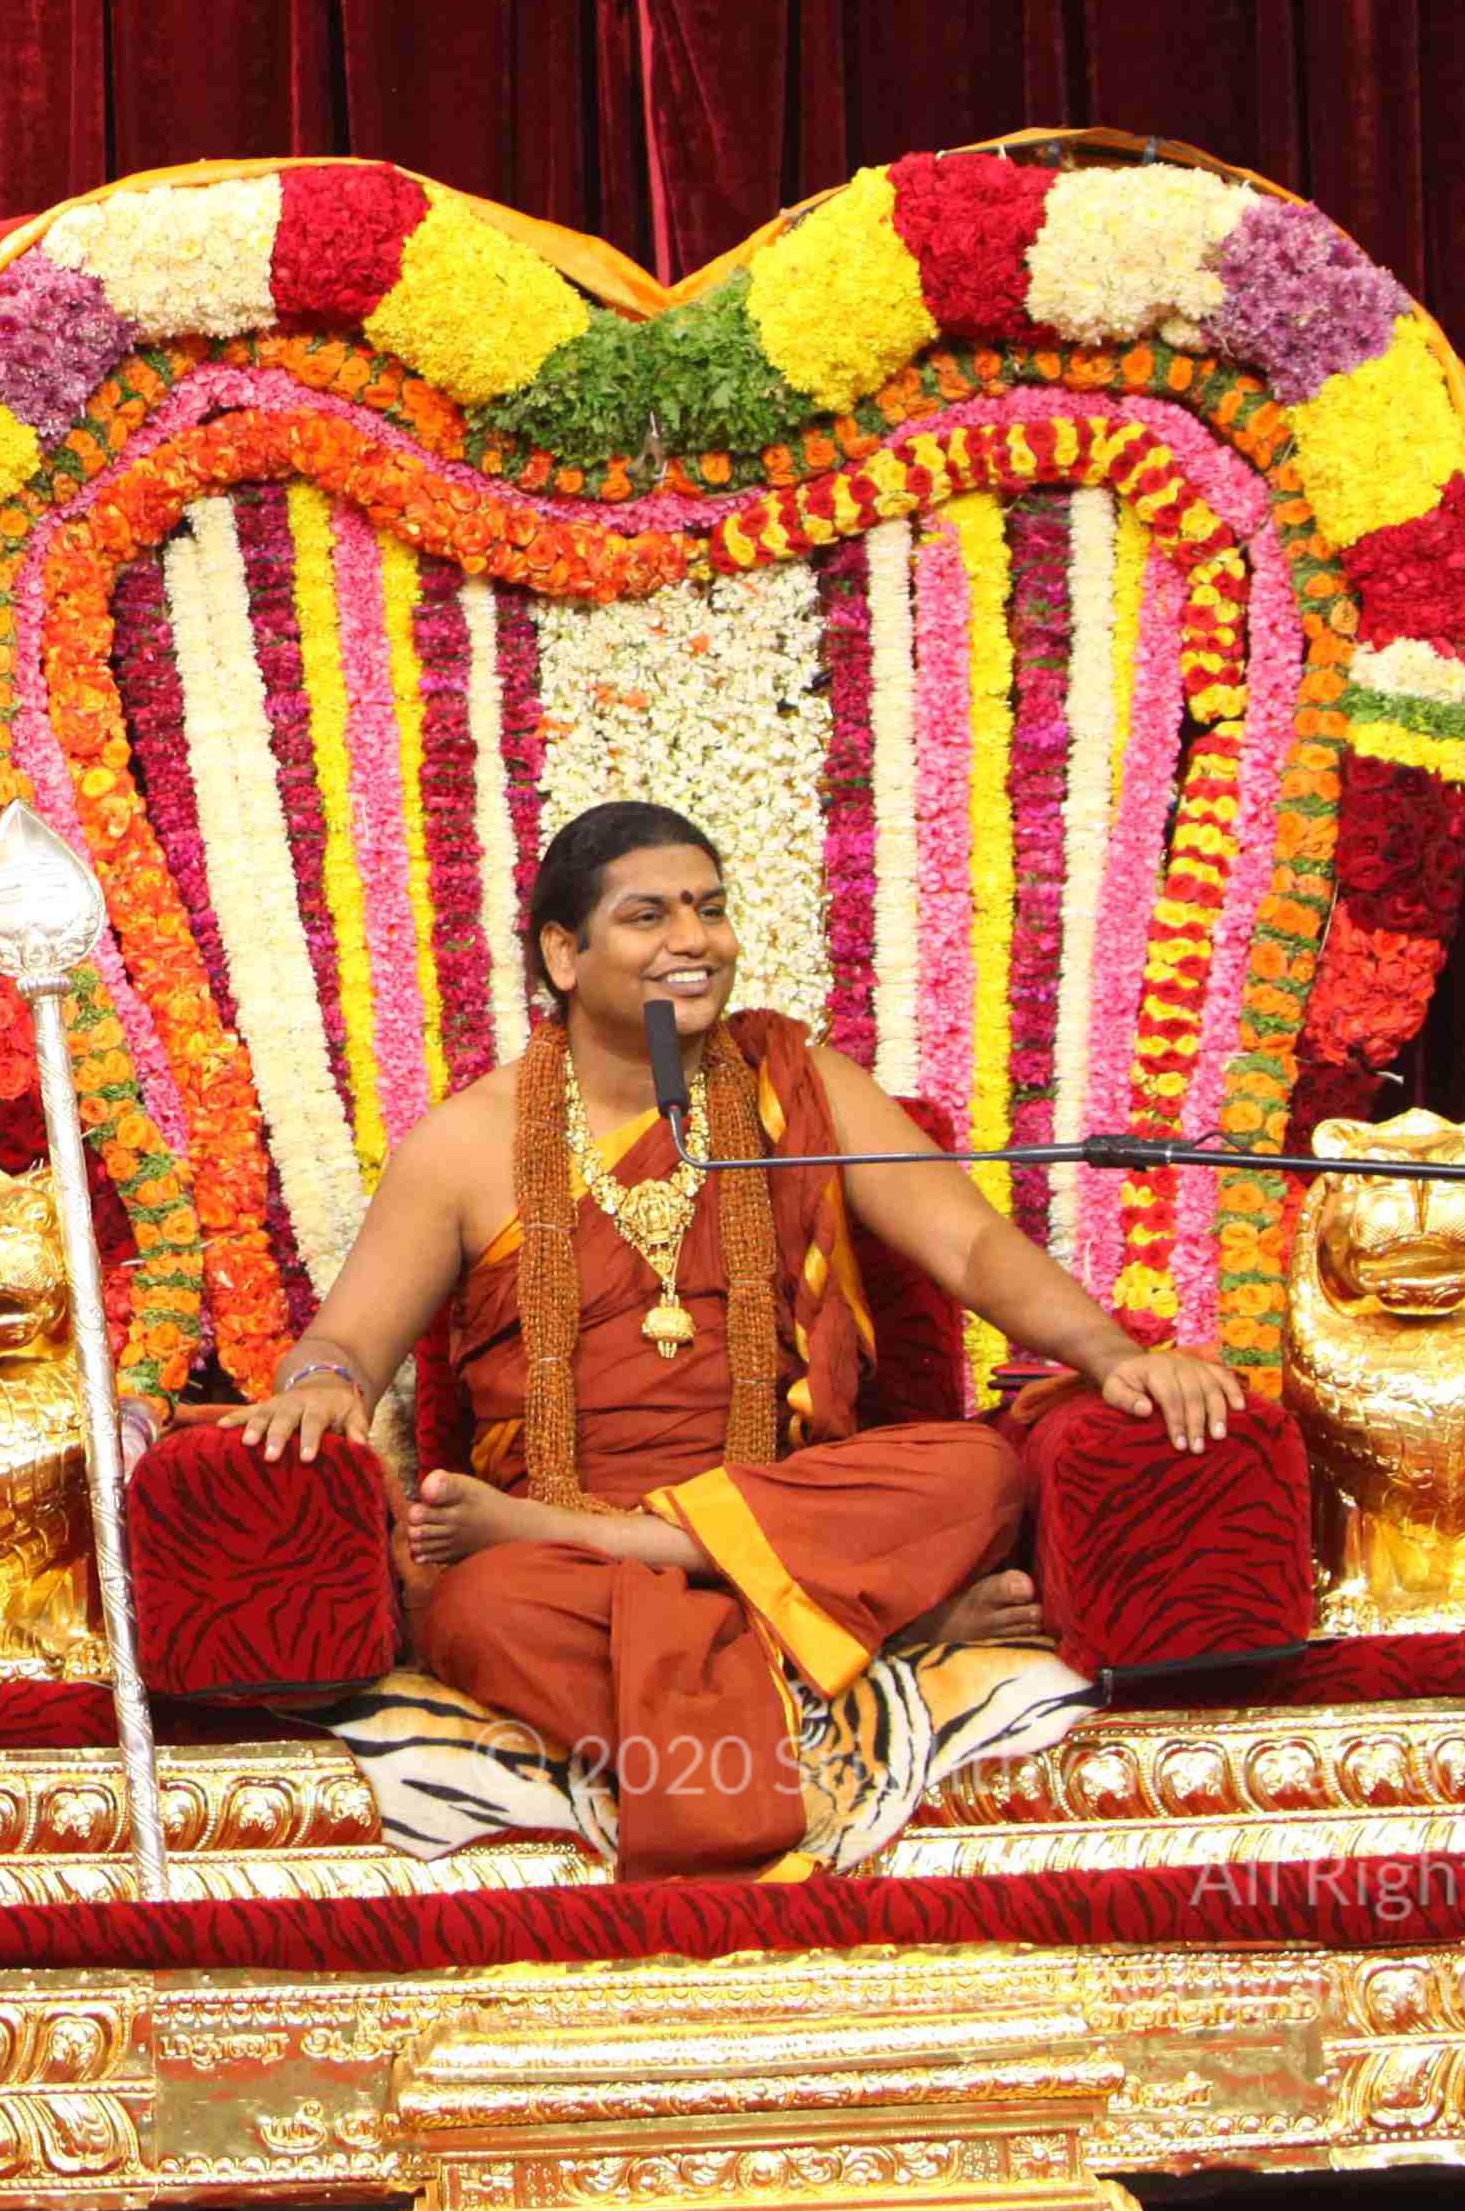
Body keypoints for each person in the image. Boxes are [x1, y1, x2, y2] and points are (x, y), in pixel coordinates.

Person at [220, 799, 1237, 1878]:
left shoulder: (798, 1087)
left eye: (709, 909)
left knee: (977, 1470)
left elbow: (974, 1247)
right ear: (563, 954)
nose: (694, 940)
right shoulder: (466, 1145)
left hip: (786, 1504)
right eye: (648, 916)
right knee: (480, 1609)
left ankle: (706, 1591)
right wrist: (318, 1382)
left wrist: (1116, 1356)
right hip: (564, 1559)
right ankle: (874, 1639)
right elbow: (346, 1343)